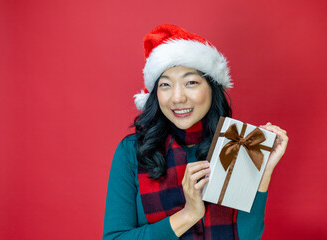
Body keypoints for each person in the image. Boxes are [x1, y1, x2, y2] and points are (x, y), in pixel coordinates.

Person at [103, 24, 288, 240]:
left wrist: (262, 174)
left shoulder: (235, 144)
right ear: (155, 93)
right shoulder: (132, 151)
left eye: (191, 82)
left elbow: (247, 236)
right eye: (165, 85)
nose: (178, 98)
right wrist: (189, 214)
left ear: (212, 87)